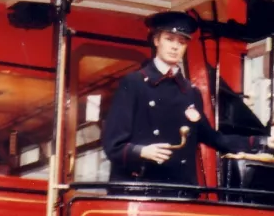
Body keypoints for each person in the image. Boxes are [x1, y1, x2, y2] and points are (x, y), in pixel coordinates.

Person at [102, 11, 262, 187]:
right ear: (156, 41)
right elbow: (114, 145)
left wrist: (261, 142)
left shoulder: (190, 92)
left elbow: (214, 138)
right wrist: (141, 151)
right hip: (141, 189)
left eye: (182, 42)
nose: (175, 47)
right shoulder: (133, 83)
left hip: (181, 191)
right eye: (169, 39)